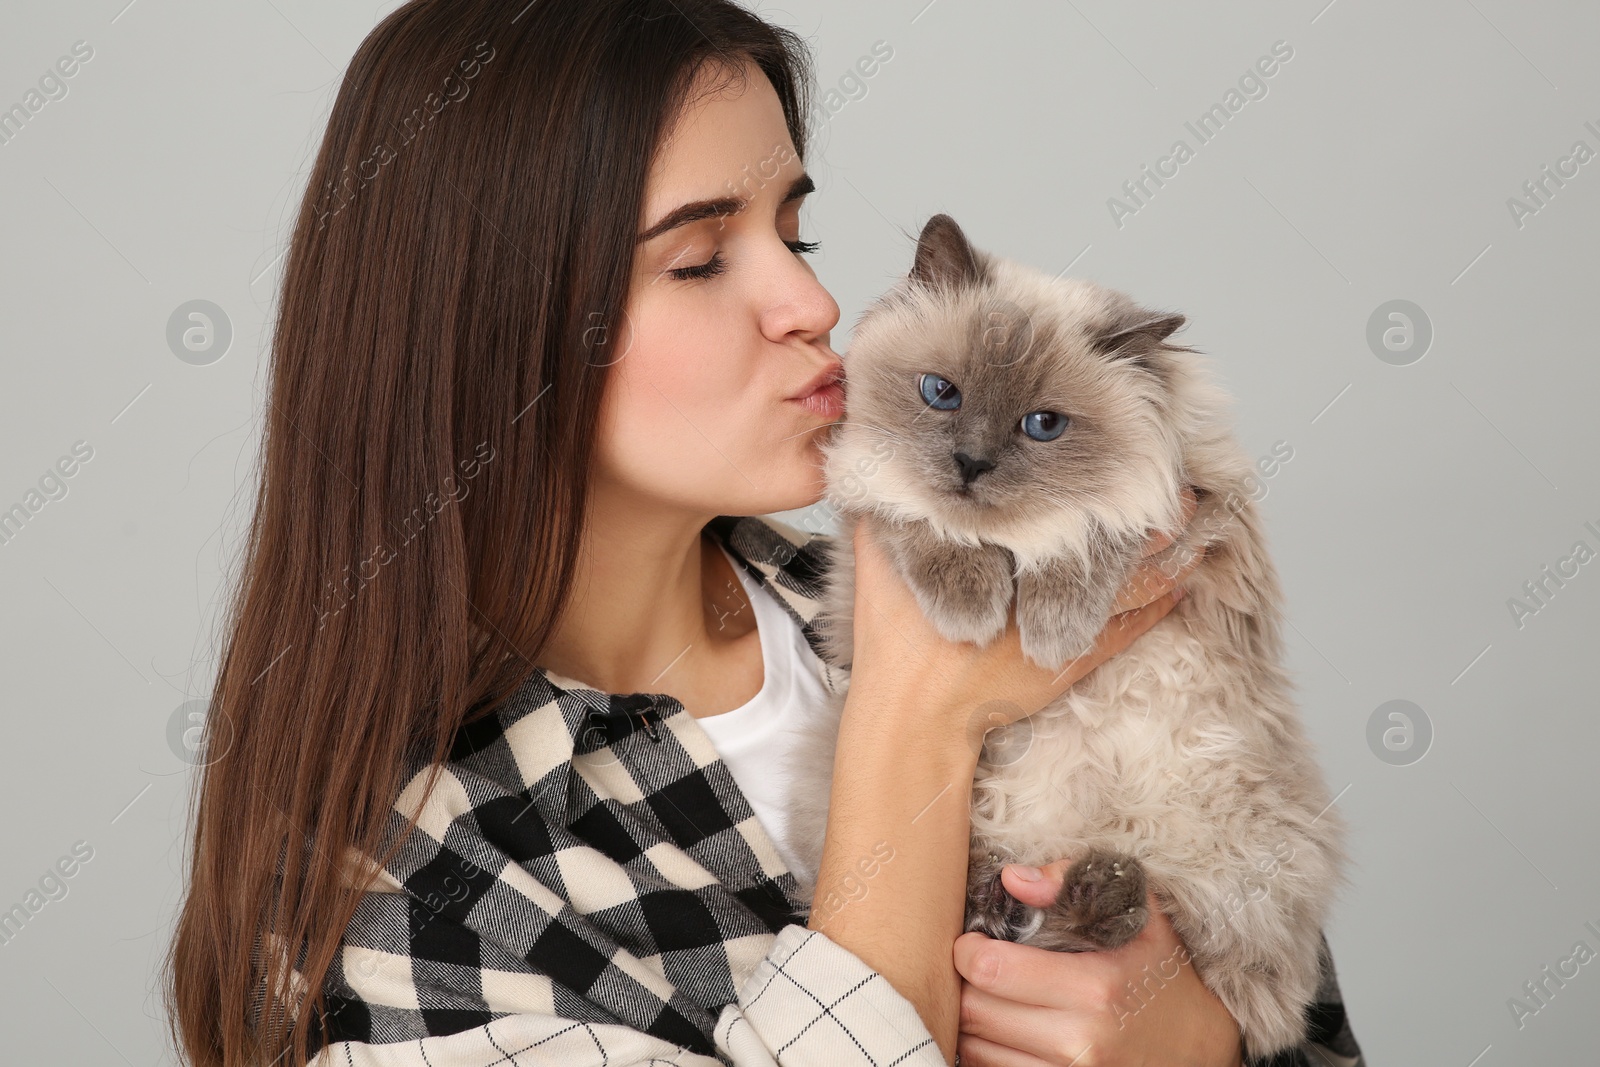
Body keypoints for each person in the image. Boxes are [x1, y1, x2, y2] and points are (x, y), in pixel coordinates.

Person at [163, 2, 1364, 1065]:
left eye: (798, 233)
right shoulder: (400, 886)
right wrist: (916, 716)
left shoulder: (981, 597)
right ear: (490, 327)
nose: (814, 304)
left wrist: (1206, 1043)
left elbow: (1295, 1001)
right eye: (697, 259)